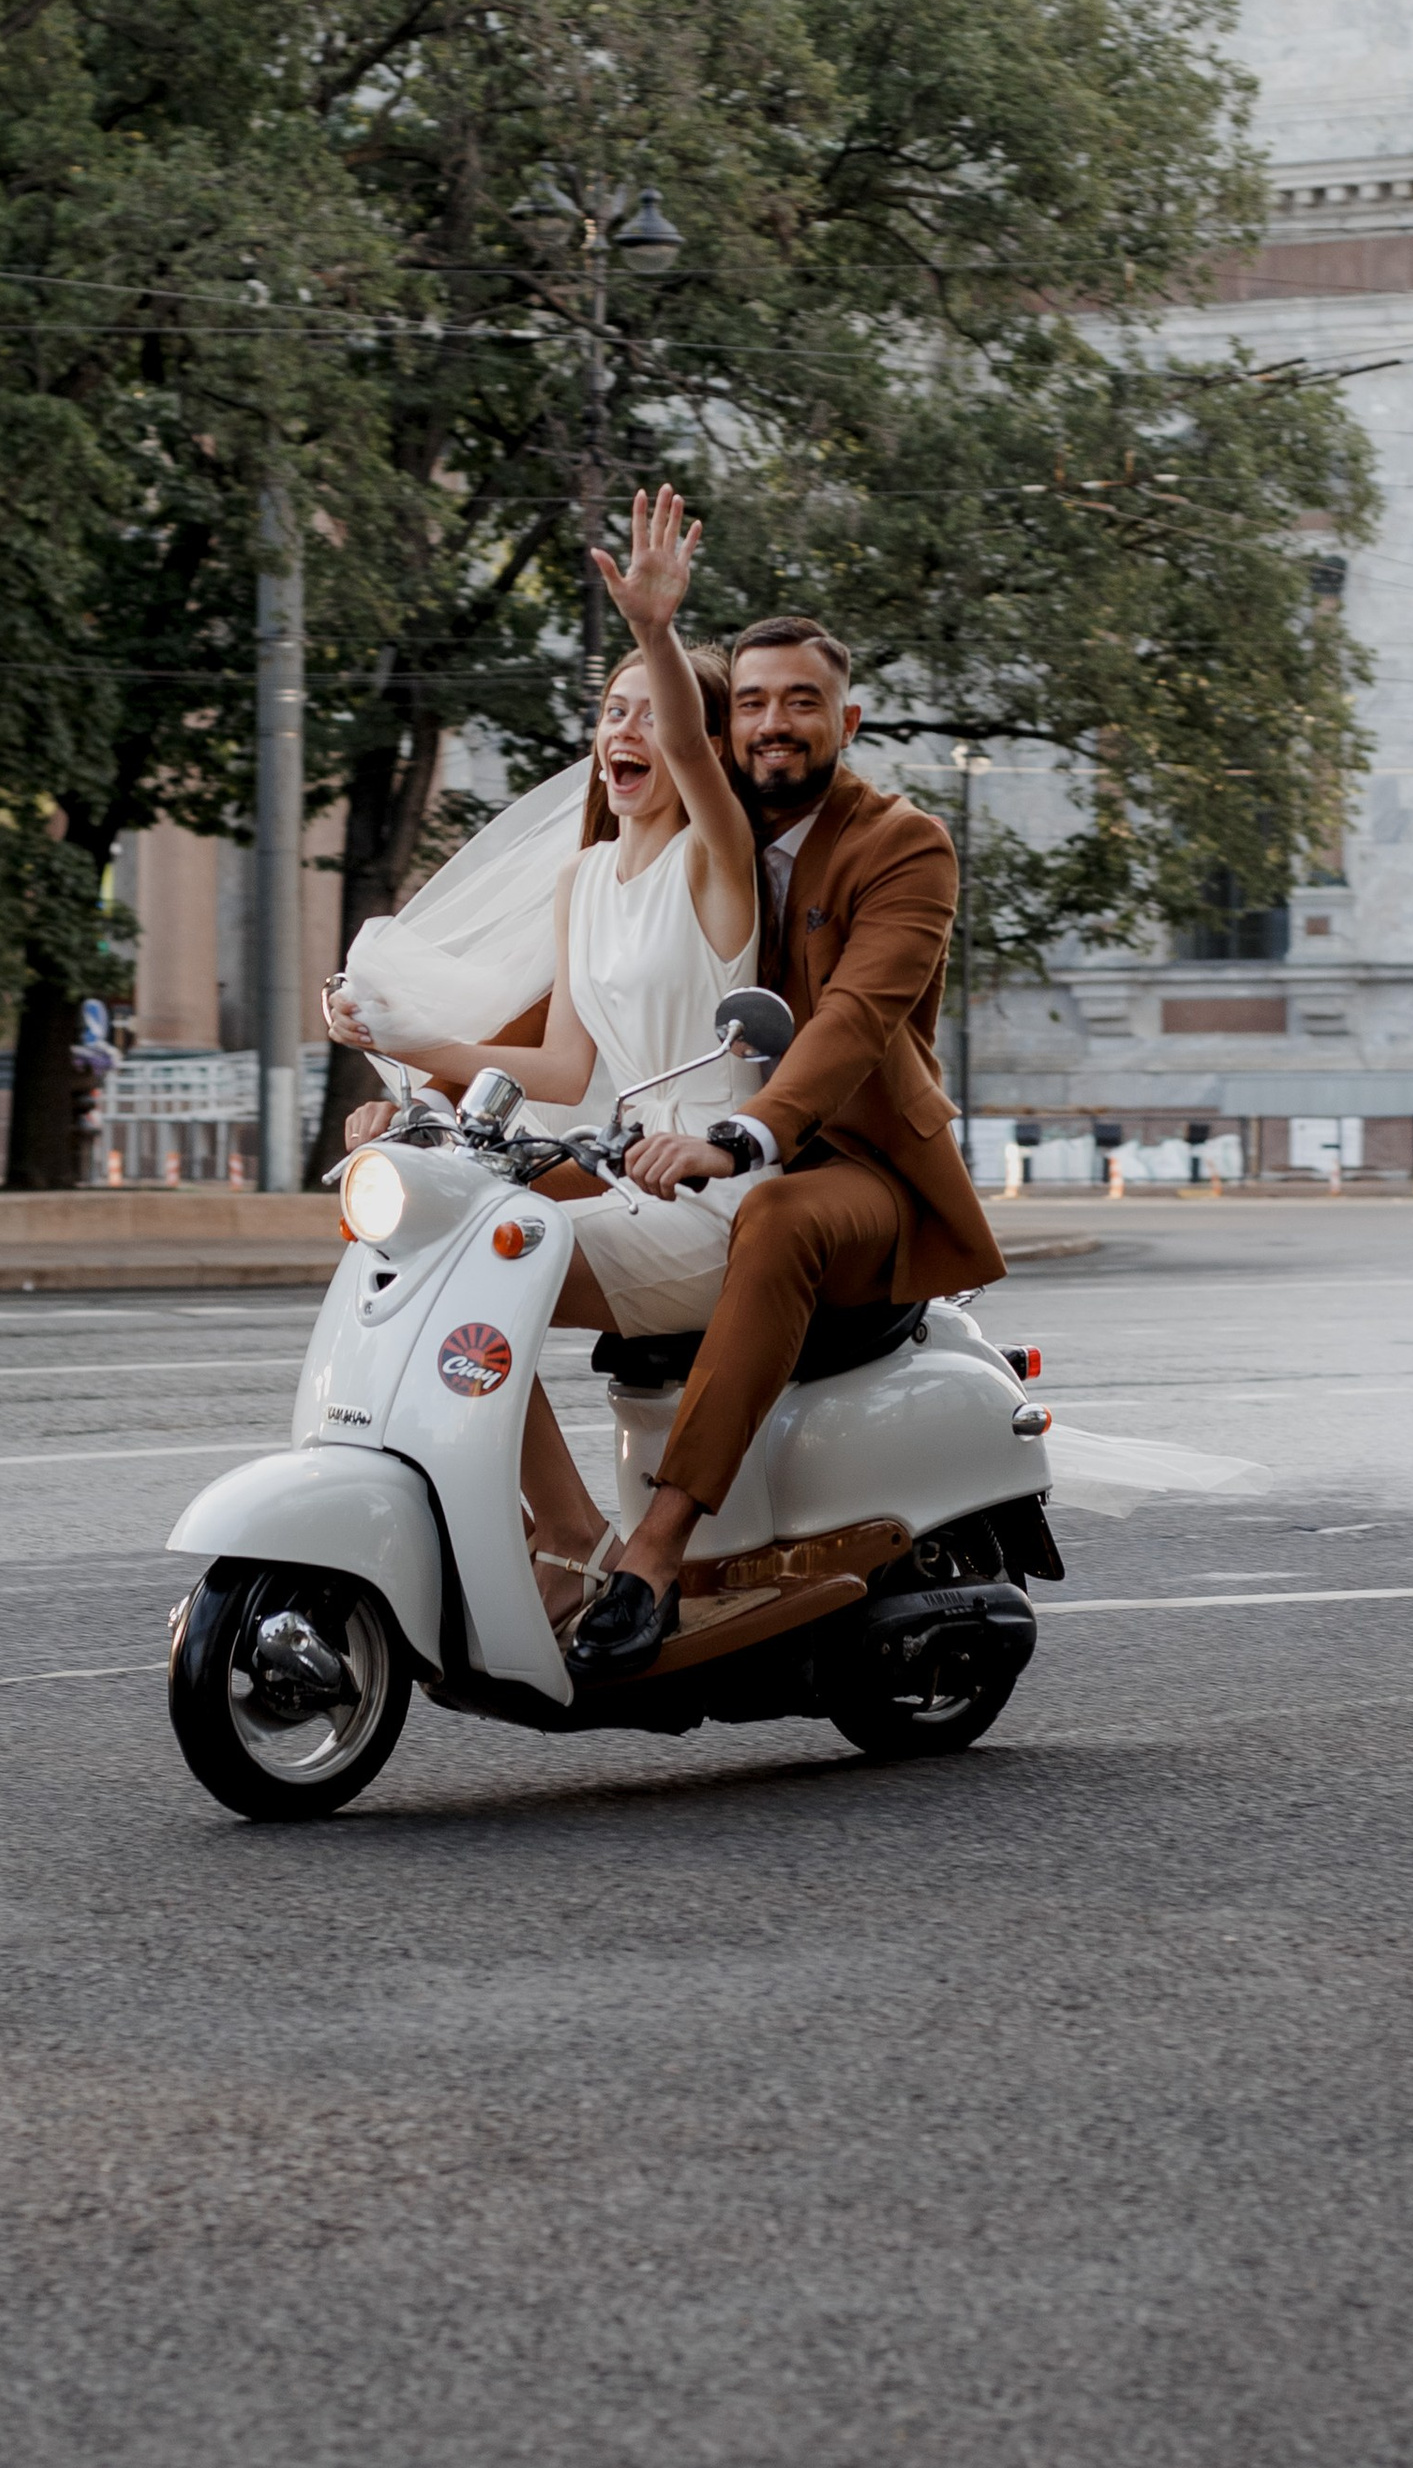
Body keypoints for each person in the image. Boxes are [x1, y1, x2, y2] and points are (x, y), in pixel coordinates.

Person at [327, 487, 762, 1630]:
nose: (626, 733)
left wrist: (656, 635)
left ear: (699, 750)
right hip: (630, 1184)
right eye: (609, 713)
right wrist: (404, 1050)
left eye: (650, 719)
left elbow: (683, 734)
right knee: (438, 1264)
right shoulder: (584, 881)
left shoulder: (718, 865)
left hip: (718, 1197)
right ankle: (553, 1527)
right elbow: (565, 1068)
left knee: (477, 1282)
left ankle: (571, 1537)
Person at [565, 613, 1006, 1679]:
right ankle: (561, 1544)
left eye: (801, 703)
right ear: (722, 733)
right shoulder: (683, 852)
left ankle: (656, 1555)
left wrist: (744, 1137)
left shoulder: (900, 844)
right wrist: (419, 1098)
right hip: (694, 1156)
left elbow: (853, 1019)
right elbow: (567, 1013)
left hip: (857, 1173)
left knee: (774, 1215)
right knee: (488, 1231)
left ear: (845, 721)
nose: (774, 724)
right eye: (751, 703)